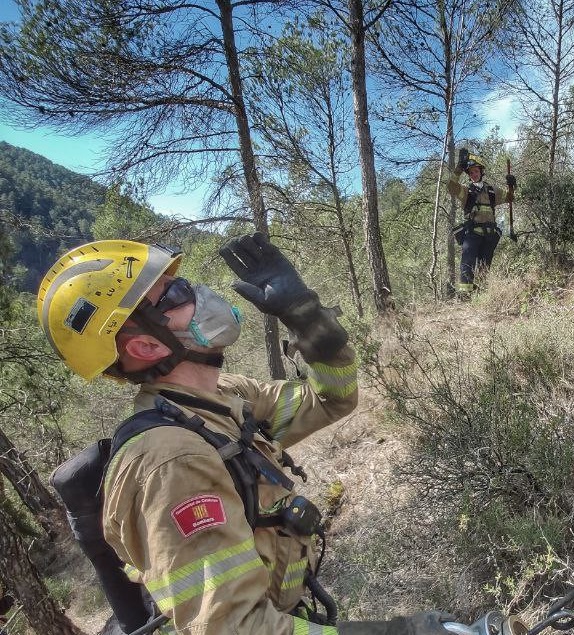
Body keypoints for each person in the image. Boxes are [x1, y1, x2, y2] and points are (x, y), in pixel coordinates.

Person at [37, 233, 454, 635]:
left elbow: (331, 399)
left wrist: (307, 317)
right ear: (147, 346)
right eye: (177, 293)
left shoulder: (221, 398)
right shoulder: (170, 461)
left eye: (182, 282)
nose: (198, 292)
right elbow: (235, 629)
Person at [447, 148, 516, 295]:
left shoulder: (492, 191)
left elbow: (510, 198)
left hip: (490, 236)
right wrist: (459, 168)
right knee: (467, 263)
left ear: (481, 172)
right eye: (471, 173)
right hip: (472, 235)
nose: (473, 175)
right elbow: (451, 187)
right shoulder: (466, 191)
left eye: (476, 171)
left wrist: (511, 185)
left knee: (485, 265)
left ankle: (482, 295)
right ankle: (465, 295)